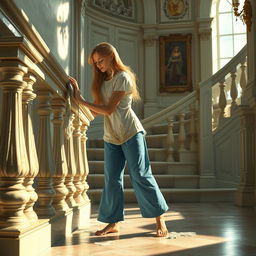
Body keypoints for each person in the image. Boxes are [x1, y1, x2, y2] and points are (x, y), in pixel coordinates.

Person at [69, 42, 169, 237]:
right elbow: (97, 111)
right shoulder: (102, 82)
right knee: (112, 180)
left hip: (131, 133)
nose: (98, 66)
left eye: (101, 61)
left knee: (140, 175)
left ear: (111, 57)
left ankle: (160, 218)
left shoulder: (123, 77)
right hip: (111, 136)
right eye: (96, 63)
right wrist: (77, 98)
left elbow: (108, 109)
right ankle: (113, 223)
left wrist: (80, 100)